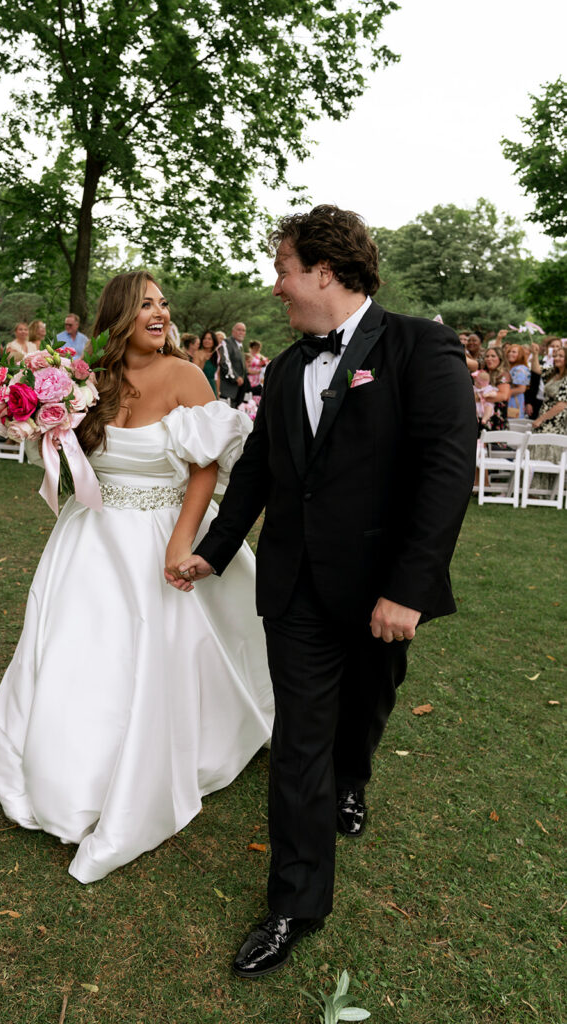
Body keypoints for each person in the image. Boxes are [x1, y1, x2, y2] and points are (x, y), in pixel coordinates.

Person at [173, 205, 477, 978]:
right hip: (296, 587)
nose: (275, 286)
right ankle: (294, 903)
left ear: (324, 271)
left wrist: (406, 589)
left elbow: (444, 473)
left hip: (382, 589)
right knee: (297, 740)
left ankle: (354, 780)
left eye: (283, 268)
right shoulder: (281, 368)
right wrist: (212, 550)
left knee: (364, 707)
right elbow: (262, 474)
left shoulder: (420, 346)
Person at [0, 271, 274, 884]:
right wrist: (36, 420)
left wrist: (179, 540)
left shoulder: (185, 376)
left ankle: (163, 756)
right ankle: (71, 768)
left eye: (163, 304)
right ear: (119, 316)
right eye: (146, 304)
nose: (160, 313)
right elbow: (73, 456)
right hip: (90, 532)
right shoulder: (87, 381)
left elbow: (204, 467)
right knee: (79, 650)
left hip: (164, 526)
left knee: (159, 651)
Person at [528, 342, 567, 492]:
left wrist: (541, 419)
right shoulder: (553, 373)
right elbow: (536, 370)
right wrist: (535, 353)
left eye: (561, 356)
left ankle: (550, 490)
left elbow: (562, 404)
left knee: (550, 450)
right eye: (556, 355)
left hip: (556, 419)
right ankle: (536, 488)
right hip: (545, 414)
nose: (557, 358)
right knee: (539, 449)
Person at [481, 346, 511, 432]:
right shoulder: (483, 373)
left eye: (493, 356)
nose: (489, 359)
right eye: (487, 356)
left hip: (496, 418)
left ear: (500, 359)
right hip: (482, 416)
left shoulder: (503, 375)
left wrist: (481, 397)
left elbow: (503, 396)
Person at [220, 322, 247, 407]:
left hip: (237, 390)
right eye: (239, 330)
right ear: (233, 331)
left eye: (243, 330)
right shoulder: (227, 342)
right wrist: (236, 377)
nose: (241, 332)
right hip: (227, 387)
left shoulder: (240, 346)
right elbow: (225, 362)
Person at [506, 344, 530, 418]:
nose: (510, 354)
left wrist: (504, 394)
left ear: (520, 355)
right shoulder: (510, 367)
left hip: (513, 402)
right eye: (509, 351)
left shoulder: (520, 369)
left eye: (514, 352)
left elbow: (521, 389)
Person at [194, 329, 219, 396]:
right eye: (205, 338)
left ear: (213, 341)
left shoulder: (217, 355)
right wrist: (203, 361)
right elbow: (196, 373)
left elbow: (218, 377)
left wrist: (218, 393)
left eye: (209, 339)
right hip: (201, 385)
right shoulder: (197, 353)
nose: (206, 341)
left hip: (212, 387)